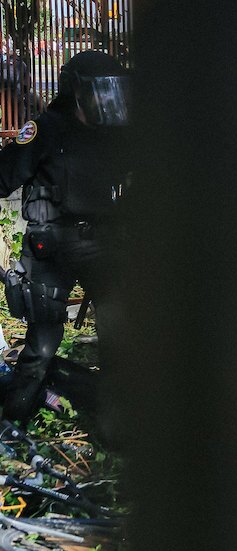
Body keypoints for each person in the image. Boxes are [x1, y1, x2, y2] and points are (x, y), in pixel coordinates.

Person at [0, 51, 130, 423]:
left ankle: (114, 424)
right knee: (42, 345)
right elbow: (5, 176)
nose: (109, 101)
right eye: (102, 92)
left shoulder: (116, 135)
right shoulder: (46, 129)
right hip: (50, 248)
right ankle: (15, 422)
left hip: (104, 245)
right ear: (77, 92)